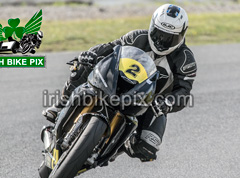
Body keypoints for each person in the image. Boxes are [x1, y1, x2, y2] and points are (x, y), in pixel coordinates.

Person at [43, 4, 197, 162]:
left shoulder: (185, 61)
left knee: (147, 148)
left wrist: (168, 102)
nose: (162, 41)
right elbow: (110, 48)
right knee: (82, 65)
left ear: (182, 34)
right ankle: (61, 105)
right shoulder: (137, 37)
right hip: (118, 82)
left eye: (170, 37)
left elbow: (183, 92)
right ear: (152, 26)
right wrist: (90, 54)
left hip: (151, 103)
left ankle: (120, 143)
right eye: (159, 34)